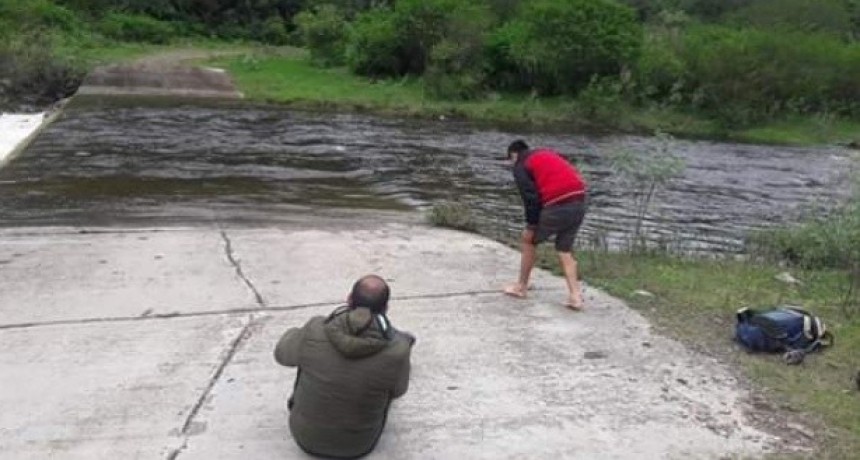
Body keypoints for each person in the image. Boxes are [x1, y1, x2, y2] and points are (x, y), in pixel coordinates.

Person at [274, 275, 415, 459]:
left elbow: (282, 355)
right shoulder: (398, 350)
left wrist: (299, 334)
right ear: (386, 308)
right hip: (359, 445)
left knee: (307, 358)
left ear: (349, 299)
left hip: (304, 438)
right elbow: (398, 391)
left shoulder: (315, 328)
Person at [503, 140, 588, 310]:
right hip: (580, 200)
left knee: (528, 240)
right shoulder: (545, 153)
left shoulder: (521, 164)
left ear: (514, 154)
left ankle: (521, 286)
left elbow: (531, 198)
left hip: (558, 204)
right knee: (564, 249)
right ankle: (575, 296)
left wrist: (532, 225)